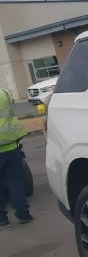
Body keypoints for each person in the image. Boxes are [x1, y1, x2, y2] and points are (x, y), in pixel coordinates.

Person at [0, 88, 32, 226]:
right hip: (10, 145)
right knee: (15, 183)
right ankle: (23, 214)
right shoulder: (4, 93)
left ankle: (1, 218)